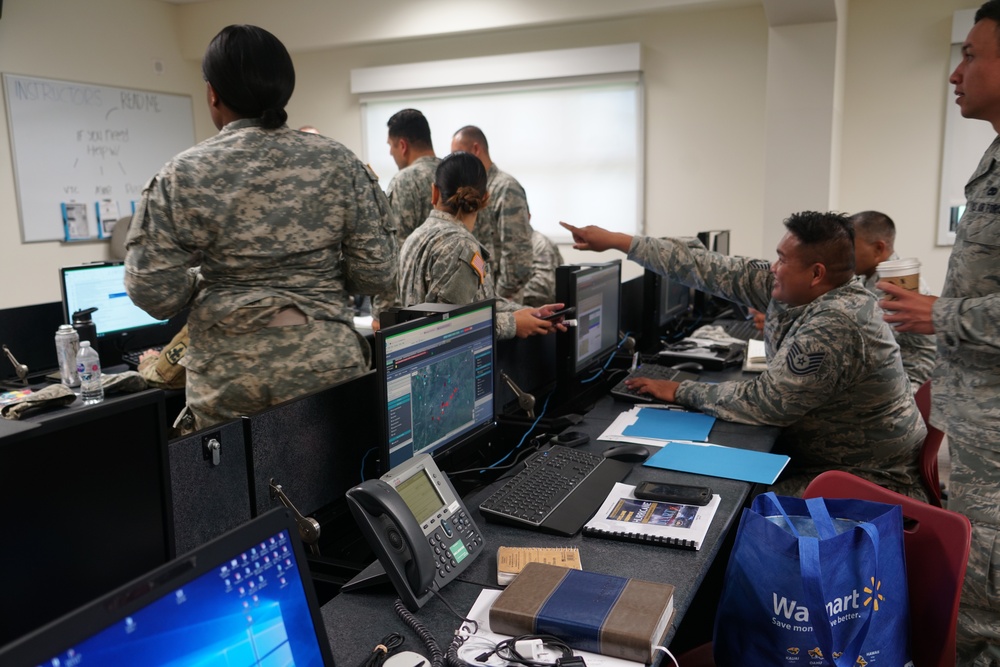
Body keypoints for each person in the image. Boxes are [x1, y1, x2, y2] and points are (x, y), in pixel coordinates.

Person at [125, 25, 397, 430]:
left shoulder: (184, 173)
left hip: (230, 376)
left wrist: (213, 282)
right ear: (283, 90)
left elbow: (152, 290)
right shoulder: (340, 163)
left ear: (213, 94)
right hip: (325, 366)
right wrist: (314, 279)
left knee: (233, 489)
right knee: (343, 487)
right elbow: (376, 272)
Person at [561, 213, 927, 499]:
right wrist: (617, 241)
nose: (773, 268)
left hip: (863, 476)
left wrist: (681, 391)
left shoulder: (838, 319)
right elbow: (708, 267)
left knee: (736, 506)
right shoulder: (798, 287)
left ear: (816, 273)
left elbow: (770, 402)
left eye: (782, 260)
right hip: (823, 458)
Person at [879, 2, 1000, 661]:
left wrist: (941, 315)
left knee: (985, 619)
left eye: (973, 56)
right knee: (972, 605)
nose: (957, 72)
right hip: (979, 438)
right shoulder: (994, 156)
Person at [399, 151, 565, 340]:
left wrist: (528, 313)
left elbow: (477, 304)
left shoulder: (415, 238)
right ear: (486, 198)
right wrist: (512, 324)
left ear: (434, 192)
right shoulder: (461, 246)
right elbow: (449, 328)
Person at [849, 210, 935, 390]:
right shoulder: (869, 277)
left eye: (850, 248)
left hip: (907, 381)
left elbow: (870, 344)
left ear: (878, 249)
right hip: (883, 373)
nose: (845, 256)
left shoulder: (899, 284)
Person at [450, 126, 533, 301]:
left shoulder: (506, 188)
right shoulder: (471, 188)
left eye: (458, 154)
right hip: (478, 300)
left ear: (475, 149)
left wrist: (497, 298)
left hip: (502, 302)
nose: (455, 161)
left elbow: (518, 255)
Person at [385, 109, 440, 243]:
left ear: (403, 146)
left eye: (391, 145)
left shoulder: (403, 181)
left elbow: (397, 246)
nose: (390, 152)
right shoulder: (455, 172)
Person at [522, 229, 563, 307]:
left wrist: (502, 296)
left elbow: (543, 287)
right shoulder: (507, 244)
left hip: (538, 309)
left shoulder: (539, 243)